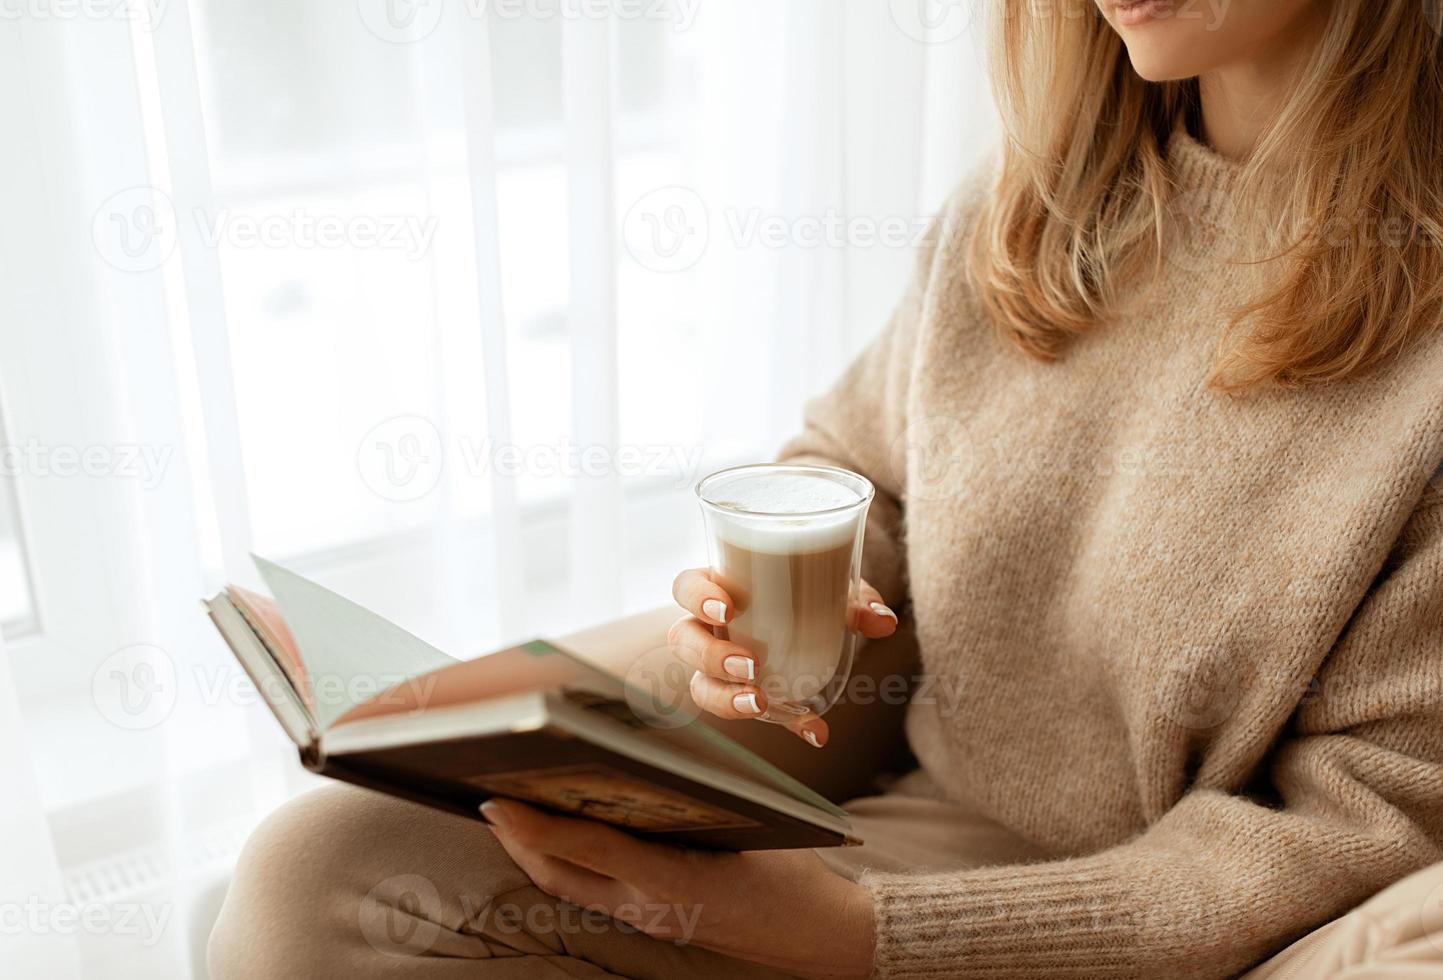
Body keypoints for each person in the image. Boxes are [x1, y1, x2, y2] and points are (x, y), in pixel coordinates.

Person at [209, 1, 1443, 976]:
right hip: (872, 847)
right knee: (326, 867)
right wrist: (785, 595)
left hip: (1099, 934)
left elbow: (1360, 830)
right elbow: (861, 462)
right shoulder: (1035, 202)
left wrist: (851, 931)